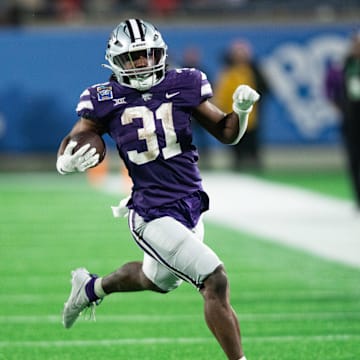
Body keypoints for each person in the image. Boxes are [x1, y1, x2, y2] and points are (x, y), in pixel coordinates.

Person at [56, 18, 259, 360]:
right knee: (215, 279)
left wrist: (241, 111)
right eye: (132, 57)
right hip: (151, 212)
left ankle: (91, 287)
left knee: (157, 280)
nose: (141, 63)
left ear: (160, 53)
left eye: (147, 54)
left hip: (191, 205)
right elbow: (75, 138)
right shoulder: (103, 97)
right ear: (115, 62)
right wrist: (66, 161)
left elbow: (226, 133)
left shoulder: (184, 83)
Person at [213, 40, 267, 171]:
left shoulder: (253, 71)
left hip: (251, 117)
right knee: (237, 148)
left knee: (252, 146)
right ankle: (239, 169)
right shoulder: (228, 73)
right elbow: (221, 94)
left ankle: (255, 169)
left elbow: (264, 89)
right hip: (233, 116)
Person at [325, 30, 360, 211]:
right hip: (352, 118)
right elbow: (329, 88)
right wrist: (340, 107)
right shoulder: (343, 66)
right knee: (354, 159)